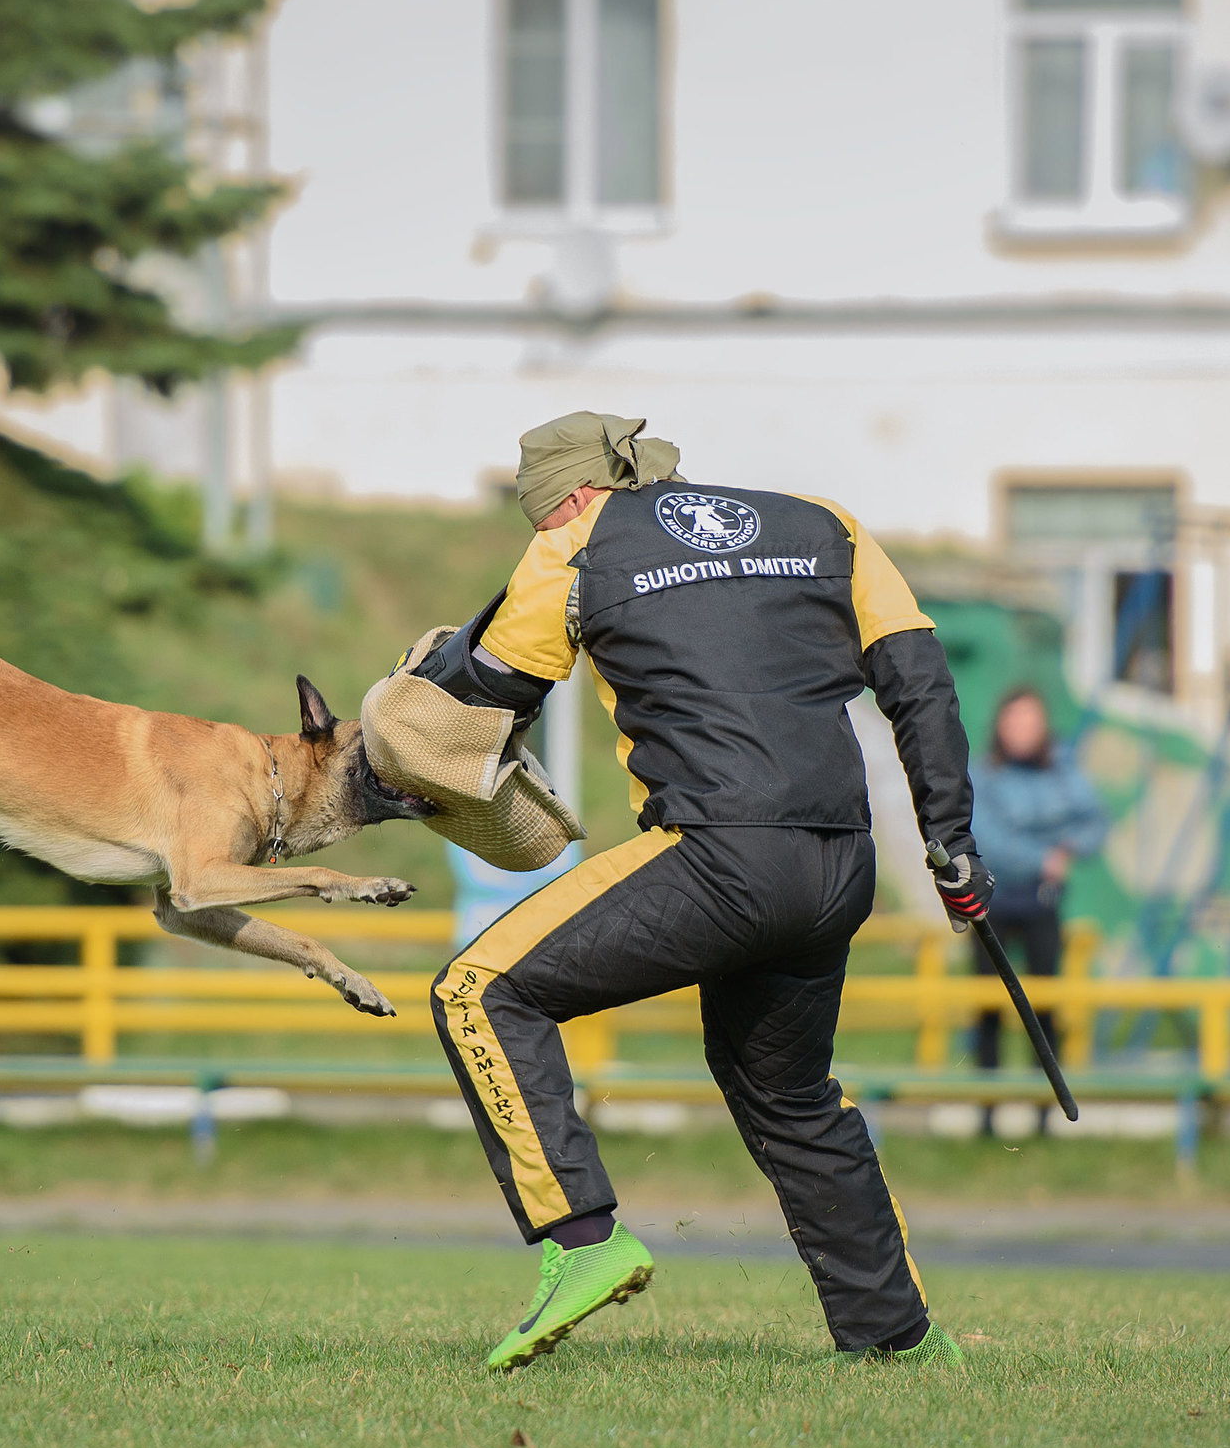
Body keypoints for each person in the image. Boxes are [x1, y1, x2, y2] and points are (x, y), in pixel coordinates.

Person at [418, 412, 996, 1372]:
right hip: (836, 863)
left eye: (539, 514)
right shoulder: (824, 522)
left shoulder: (575, 544)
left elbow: (489, 691)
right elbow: (919, 682)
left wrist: (419, 697)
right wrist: (951, 838)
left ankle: (583, 1240)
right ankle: (893, 1335)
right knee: (789, 1092)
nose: (541, 530)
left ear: (572, 496)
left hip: (718, 854)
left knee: (478, 990)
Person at [967, 687, 1108, 1081]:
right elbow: (985, 836)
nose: (1021, 730)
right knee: (988, 1004)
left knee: (1045, 1004)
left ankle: (1047, 1100)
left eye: (1030, 721)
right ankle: (987, 1099)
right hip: (990, 899)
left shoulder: (1063, 770)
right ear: (1000, 726)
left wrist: (1068, 848)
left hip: (1041, 899)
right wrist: (1042, 857)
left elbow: (1094, 821)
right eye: (1014, 720)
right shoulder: (984, 774)